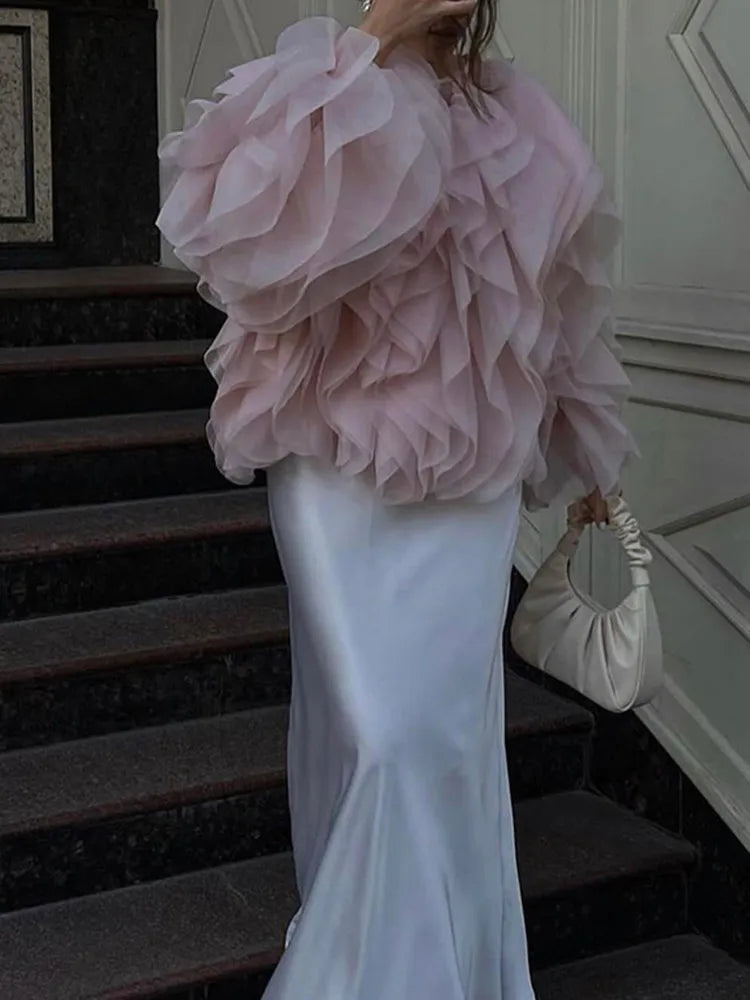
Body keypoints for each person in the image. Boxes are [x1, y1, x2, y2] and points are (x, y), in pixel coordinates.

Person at [156, 1, 636, 996]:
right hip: (332, 475)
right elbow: (235, 242)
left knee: (435, 739)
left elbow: (558, 319)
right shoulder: (317, 85)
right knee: (375, 730)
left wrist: (591, 459)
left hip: (470, 490)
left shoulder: (526, 128)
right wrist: (374, 41)